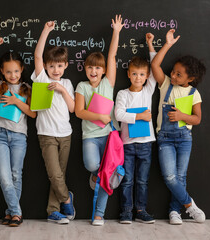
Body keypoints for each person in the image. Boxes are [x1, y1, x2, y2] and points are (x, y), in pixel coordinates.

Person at [0, 37, 36, 227]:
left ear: (22, 71)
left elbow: (33, 114)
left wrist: (16, 101)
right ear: (2, 71)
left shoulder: (27, 88)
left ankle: (11, 213)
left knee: (15, 175)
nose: (13, 75)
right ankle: (17, 212)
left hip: (19, 137)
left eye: (17, 71)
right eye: (9, 71)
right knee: (4, 176)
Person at [151, 29, 206, 225]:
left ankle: (175, 211)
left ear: (189, 79)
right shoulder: (166, 84)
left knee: (181, 176)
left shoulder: (193, 93)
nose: (173, 75)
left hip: (184, 139)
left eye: (178, 74)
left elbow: (197, 119)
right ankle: (189, 205)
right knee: (170, 176)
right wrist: (167, 44)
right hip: (164, 138)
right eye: (173, 71)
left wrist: (182, 116)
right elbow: (155, 64)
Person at [75, 15, 123, 226]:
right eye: (89, 68)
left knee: (106, 172)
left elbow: (112, 55)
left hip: (109, 136)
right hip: (91, 137)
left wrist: (117, 31)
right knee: (93, 165)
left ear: (103, 71)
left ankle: (99, 215)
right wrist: (100, 116)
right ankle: (97, 175)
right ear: (85, 69)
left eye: (97, 68)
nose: (93, 71)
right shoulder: (81, 87)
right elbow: (79, 112)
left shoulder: (108, 84)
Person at [32, 21, 75, 224]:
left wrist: (63, 90)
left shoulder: (67, 83)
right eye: (52, 66)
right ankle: (66, 199)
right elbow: (38, 56)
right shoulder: (41, 79)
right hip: (47, 134)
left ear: (66, 65)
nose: (55, 70)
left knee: (60, 174)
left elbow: (73, 108)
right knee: (55, 174)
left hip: (66, 134)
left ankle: (52, 211)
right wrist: (46, 30)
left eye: (59, 65)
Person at [115, 33, 157, 224]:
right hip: (128, 145)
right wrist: (140, 116)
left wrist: (150, 44)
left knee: (142, 181)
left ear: (146, 76)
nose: (138, 77)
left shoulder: (148, 90)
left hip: (146, 144)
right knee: (128, 180)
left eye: (141, 74)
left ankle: (140, 210)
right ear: (128, 73)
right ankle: (126, 211)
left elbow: (155, 67)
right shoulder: (123, 94)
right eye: (134, 73)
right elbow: (118, 115)